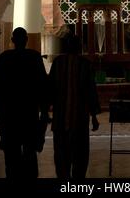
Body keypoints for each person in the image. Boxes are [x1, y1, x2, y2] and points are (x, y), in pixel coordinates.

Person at [0, 27, 48, 180]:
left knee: (12, 159)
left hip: (9, 117)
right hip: (28, 115)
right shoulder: (34, 58)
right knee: (30, 155)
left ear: (12, 41)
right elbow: (43, 87)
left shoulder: (4, 59)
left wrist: (0, 107)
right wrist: (44, 111)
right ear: (26, 40)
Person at [48, 33, 100, 179]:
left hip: (60, 118)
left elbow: (50, 88)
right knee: (80, 155)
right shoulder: (85, 64)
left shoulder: (58, 63)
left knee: (61, 155)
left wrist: (45, 111)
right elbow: (91, 91)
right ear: (79, 47)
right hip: (79, 118)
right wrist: (94, 116)